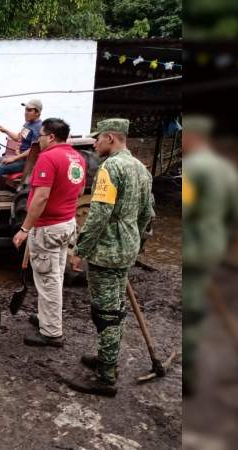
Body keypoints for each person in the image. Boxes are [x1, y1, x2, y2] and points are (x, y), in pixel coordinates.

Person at [66, 119, 154, 396]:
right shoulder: (141, 168)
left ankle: (105, 377)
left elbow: (98, 215)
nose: (94, 144)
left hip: (106, 253)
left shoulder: (111, 168)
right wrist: (134, 241)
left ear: (111, 138)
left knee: (104, 313)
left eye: (98, 139)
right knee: (116, 308)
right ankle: (107, 357)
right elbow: (147, 213)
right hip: (126, 249)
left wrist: (80, 251)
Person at [180, 115, 238, 396]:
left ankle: (188, 374)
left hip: (192, 249)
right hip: (213, 246)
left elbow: (184, 211)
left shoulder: (193, 169)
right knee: (197, 302)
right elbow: (237, 215)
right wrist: (219, 245)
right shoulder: (227, 169)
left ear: (193, 136)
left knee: (190, 312)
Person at [12, 118, 86, 347]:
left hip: (48, 228)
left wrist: (25, 228)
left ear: (51, 136)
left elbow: (41, 197)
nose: (39, 139)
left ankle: (52, 332)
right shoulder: (78, 158)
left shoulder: (48, 157)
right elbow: (80, 190)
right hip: (66, 224)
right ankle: (47, 318)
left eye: (41, 135)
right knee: (54, 276)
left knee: (48, 280)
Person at [0, 99, 44, 196]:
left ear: (37, 112)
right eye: (26, 110)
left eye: (29, 110)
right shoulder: (28, 124)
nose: (26, 113)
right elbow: (18, 137)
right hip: (19, 158)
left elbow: (33, 150)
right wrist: (5, 130)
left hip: (26, 163)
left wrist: (13, 158)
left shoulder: (38, 128)